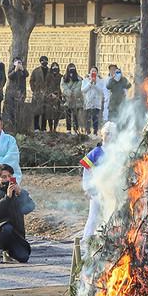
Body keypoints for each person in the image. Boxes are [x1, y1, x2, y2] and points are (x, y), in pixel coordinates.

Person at [80, 121, 116, 252]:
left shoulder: (119, 152)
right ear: (102, 135)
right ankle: (85, 242)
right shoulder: (96, 152)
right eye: (107, 133)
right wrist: (87, 188)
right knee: (93, 217)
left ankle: (106, 242)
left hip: (113, 191)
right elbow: (87, 172)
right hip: (97, 190)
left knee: (111, 216)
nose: (109, 136)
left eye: (112, 134)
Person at [0, 164, 31, 264]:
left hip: (16, 232)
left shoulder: (20, 192)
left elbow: (30, 208)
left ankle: (7, 253)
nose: (8, 179)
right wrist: (7, 197)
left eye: (10, 176)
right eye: (4, 177)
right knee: (7, 228)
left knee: (23, 258)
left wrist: (20, 195)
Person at [81, 66, 110, 136]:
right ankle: (88, 133)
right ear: (89, 72)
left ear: (97, 73)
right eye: (92, 71)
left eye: (95, 71)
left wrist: (96, 83)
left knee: (95, 118)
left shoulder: (100, 81)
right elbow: (83, 90)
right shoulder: (85, 81)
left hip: (97, 102)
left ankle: (95, 133)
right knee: (88, 118)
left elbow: (101, 91)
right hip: (88, 102)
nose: (93, 72)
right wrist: (90, 82)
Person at [4, 58, 28, 127]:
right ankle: (12, 124)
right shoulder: (11, 70)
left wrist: (22, 69)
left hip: (21, 92)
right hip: (12, 93)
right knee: (12, 110)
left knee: (19, 109)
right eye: (16, 62)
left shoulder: (23, 70)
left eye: (19, 62)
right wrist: (15, 70)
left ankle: (19, 125)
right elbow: (10, 76)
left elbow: (27, 74)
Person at [62, 63, 82, 132]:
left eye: (73, 67)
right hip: (67, 99)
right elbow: (63, 87)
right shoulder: (64, 78)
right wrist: (69, 94)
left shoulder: (79, 78)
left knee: (75, 116)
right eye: (70, 67)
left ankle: (76, 129)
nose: (72, 69)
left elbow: (79, 87)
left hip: (76, 99)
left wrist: (74, 94)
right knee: (68, 115)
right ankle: (68, 129)